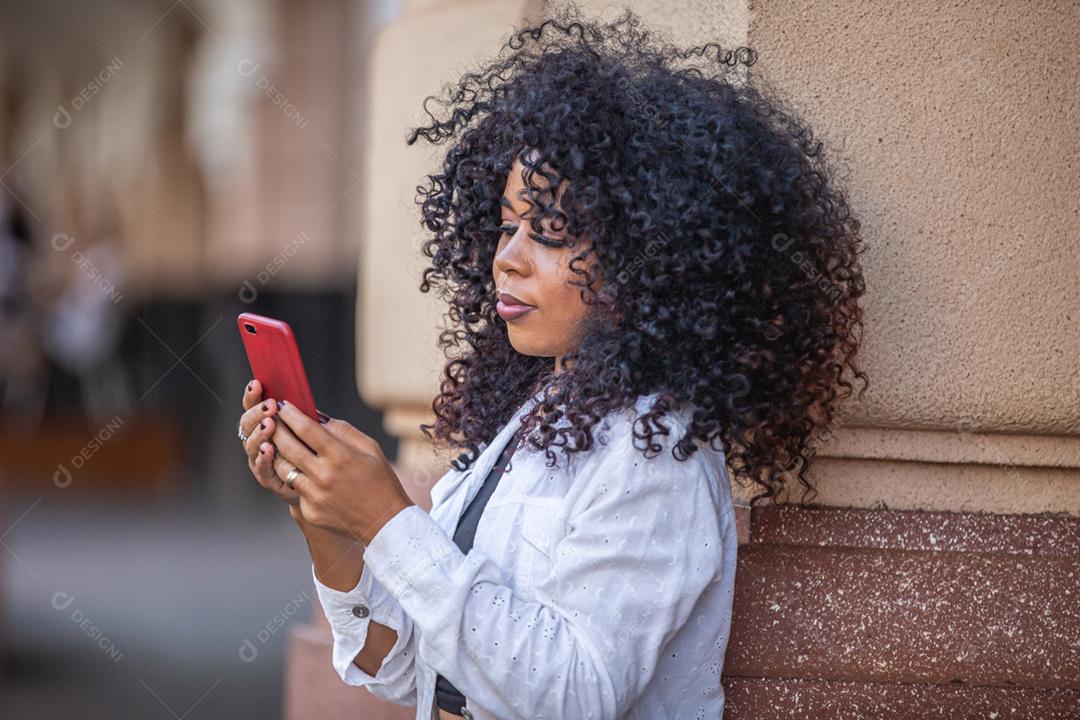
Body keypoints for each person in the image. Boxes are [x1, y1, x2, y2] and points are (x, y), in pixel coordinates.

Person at [237, 6, 867, 718]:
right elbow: (407, 668)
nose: (506, 257)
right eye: (507, 226)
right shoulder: (532, 417)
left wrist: (388, 519)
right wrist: (326, 520)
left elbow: (574, 694)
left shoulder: (654, 451)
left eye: (551, 231)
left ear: (647, 258)